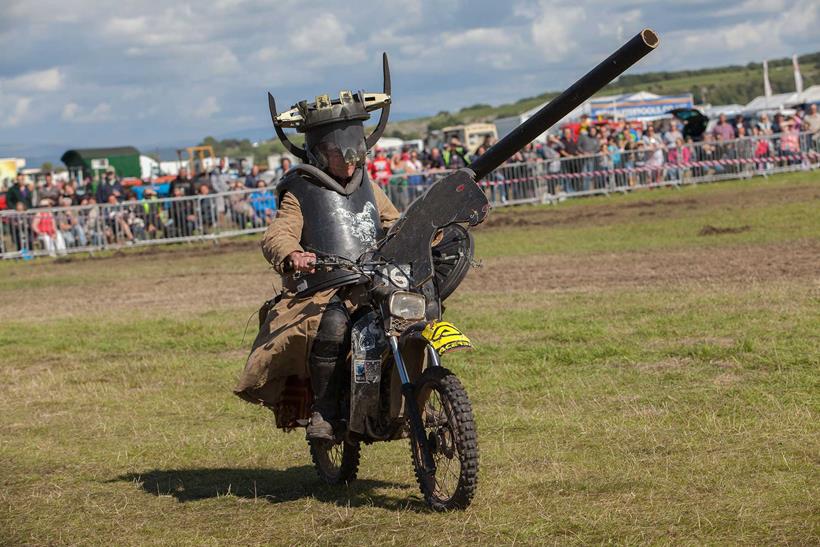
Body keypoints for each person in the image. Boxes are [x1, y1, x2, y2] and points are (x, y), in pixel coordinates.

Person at [234, 81, 400, 441]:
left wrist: (431, 229)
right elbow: (278, 234)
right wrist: (293, 254)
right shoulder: (301, 189)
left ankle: (409, 394)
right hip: (325, 289)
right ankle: (323, 410)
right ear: (320, 153)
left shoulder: (367, 185)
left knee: (409, 316)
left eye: (354, 147)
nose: (350, 157)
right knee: (334, 325)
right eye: (340, 150)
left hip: (372, 280)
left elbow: (394, 222)